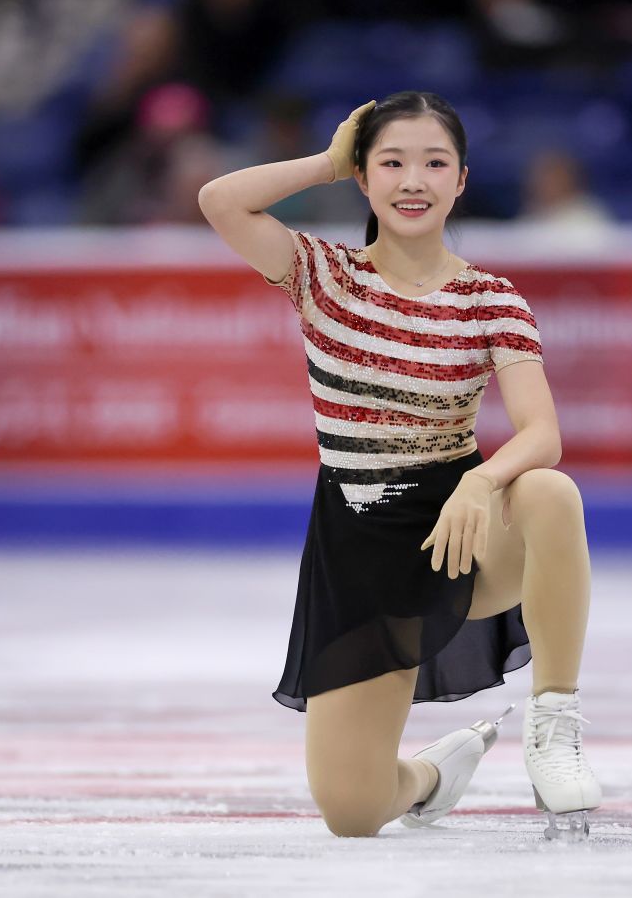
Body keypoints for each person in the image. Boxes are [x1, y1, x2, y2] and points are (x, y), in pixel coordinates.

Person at [197, 91, 600, 840]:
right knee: (350, 810)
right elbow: (220, 201)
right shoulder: (323, 276)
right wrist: (323, 161)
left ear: (461, 181)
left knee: (548, 491)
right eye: (392, 163)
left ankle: (555, 728)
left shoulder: (491, 299)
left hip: (459, 530)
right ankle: (433, 774)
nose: (413, 180)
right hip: (359, 552)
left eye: (433, 163)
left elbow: (542, 432)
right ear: (364, 178)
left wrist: (481, 479)